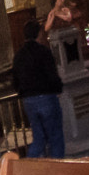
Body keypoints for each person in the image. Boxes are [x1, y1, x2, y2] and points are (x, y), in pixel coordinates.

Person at [13, 17, 66, 159]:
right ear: (39, 34)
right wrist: (58, 88)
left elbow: (15, 80)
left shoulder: (19, 55)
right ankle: (58, 170)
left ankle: (29, 168)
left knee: (39, 139)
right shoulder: (43, 52)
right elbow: (51, 75)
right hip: (46, 97)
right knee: (55, 137)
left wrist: (23, 93)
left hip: (29, 101)